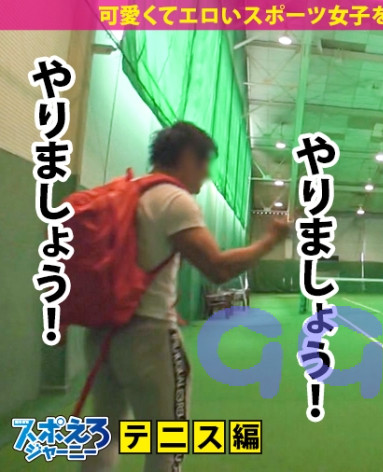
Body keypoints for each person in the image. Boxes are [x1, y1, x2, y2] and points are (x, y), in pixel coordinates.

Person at [83, 122, 290, 472]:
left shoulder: (125, 192)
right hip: (149, 338)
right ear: (187, 157)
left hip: (101, 334)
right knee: (167, 442)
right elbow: (218, 268)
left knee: (103, 434)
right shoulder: (174, 199)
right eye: (205, 163)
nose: (206, 174)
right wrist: (270, 241)